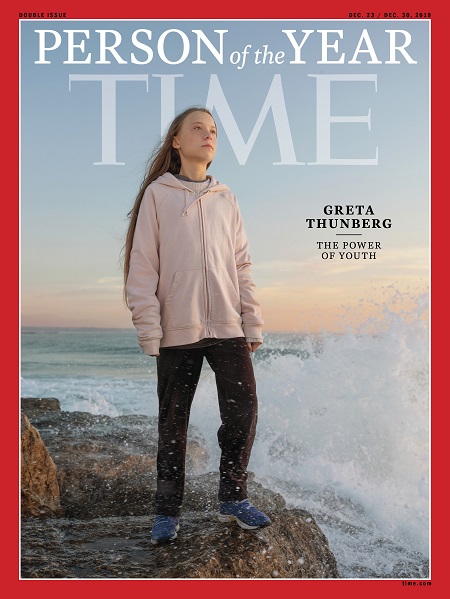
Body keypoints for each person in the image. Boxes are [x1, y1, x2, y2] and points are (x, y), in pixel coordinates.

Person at [123, 106, 271, 545]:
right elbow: (143, 266)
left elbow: (241, 264)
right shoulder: (158, 195)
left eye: (214, 131)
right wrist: (149, 328)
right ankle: (167, 511)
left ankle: (233, 497)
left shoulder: (227, 197)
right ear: (176, 141)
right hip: (177, 327)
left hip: (227, 325)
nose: (208, 135)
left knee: (243, 409)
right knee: (173, 422)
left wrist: (252, 321)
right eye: (198, 128)